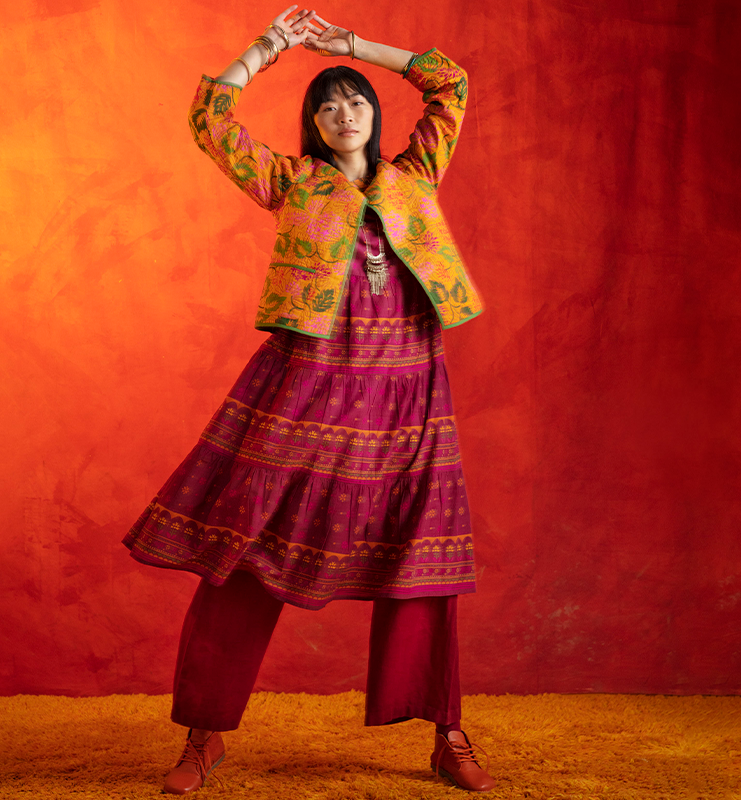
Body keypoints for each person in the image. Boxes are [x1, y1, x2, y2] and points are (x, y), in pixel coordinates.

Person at [121, 6, 494, 793]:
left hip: (409, 391)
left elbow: (450, 81)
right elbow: (209, 118)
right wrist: (268, 49)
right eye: (326, 104)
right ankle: (204, 736)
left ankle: (447, 732)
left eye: (356, 99)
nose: (343, 112)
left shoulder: (414, 175)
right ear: (313, 126)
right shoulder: (293, 184)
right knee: (247, 550)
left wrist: (354, 47)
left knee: (423, 562)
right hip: (309, 386)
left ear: (374, 113)